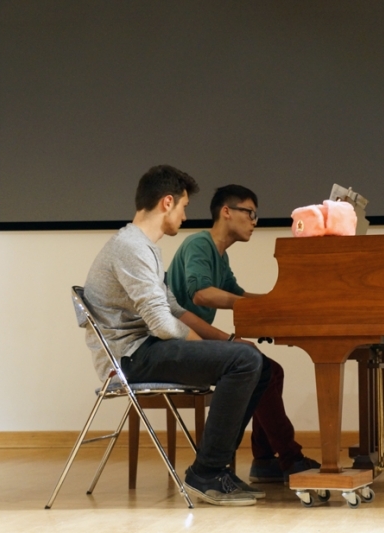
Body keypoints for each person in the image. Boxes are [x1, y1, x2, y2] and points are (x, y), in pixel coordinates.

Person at [82, 166, 271, 506]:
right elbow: (161, 324)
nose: (185, 215)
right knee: (245, 361)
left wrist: (223, 343)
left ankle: (217, 468)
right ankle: (207, 472)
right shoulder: (131, 247)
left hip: (148, 349)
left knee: (260, 365)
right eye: (183, 206)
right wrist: (211, 345)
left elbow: (172, 307)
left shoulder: (145, 247)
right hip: (132, 358)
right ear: (167, 203)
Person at [167, 184, 320, 483]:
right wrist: (261, 307)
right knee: (263, 368)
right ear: (226, 211)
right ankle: (287, 457)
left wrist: (276, 304)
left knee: (271, 371)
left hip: (197, 343)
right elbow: (202, 294)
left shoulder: (220, 256)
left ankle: (264, 459)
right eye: (250, 213)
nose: (254, 221)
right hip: (179, 347)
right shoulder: (199, 244)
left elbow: (238, 295)